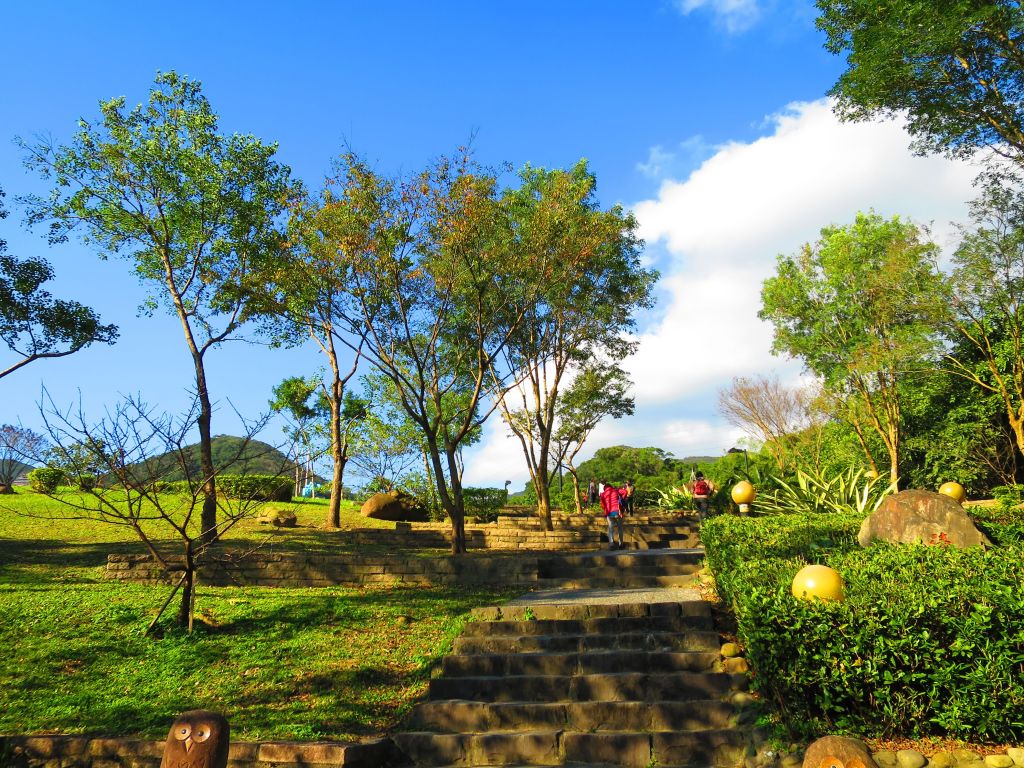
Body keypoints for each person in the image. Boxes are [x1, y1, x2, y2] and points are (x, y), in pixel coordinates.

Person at [600, 479, 625, 550]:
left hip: (609, 513)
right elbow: (625, 492)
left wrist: (606, 508)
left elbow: (602, 505)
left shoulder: (603, 494)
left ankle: (611, 543)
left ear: (605, 488)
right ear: (611, 487)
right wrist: (621, 499)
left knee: (610, 528)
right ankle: (621, 544)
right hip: (618, 511)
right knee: (620, 528)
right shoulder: (616, 490)